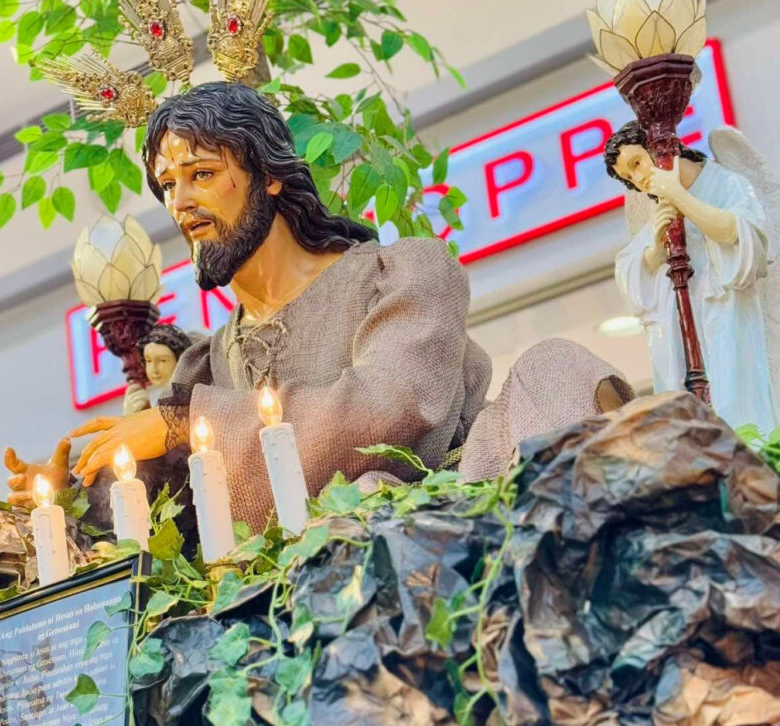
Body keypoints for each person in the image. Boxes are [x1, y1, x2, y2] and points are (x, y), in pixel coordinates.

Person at [58, 81, 491, 531]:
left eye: (201, 174)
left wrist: (190, 423)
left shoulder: (400, 277)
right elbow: (170, 507)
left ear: (268, 175)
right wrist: (64, 500)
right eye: (168, 184)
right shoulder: (206, 367)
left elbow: (388, 409)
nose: (180, 203)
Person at [606, 122, 780, 433]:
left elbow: (738, 233)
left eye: (637, 163)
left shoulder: (726, 184)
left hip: (730, 319)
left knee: (736, 403)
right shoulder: (658, 209)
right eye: (629, 177)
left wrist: (680, 196)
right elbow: (631, 271)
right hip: (686, 336)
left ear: (659, 149)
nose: (639, 178)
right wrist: (655, 252)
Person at [122, 324, 196, 415]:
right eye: (148, 360)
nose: (154, 370)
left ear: (180, 361)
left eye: (162, 360)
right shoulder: (164, 402)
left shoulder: (193, 399)